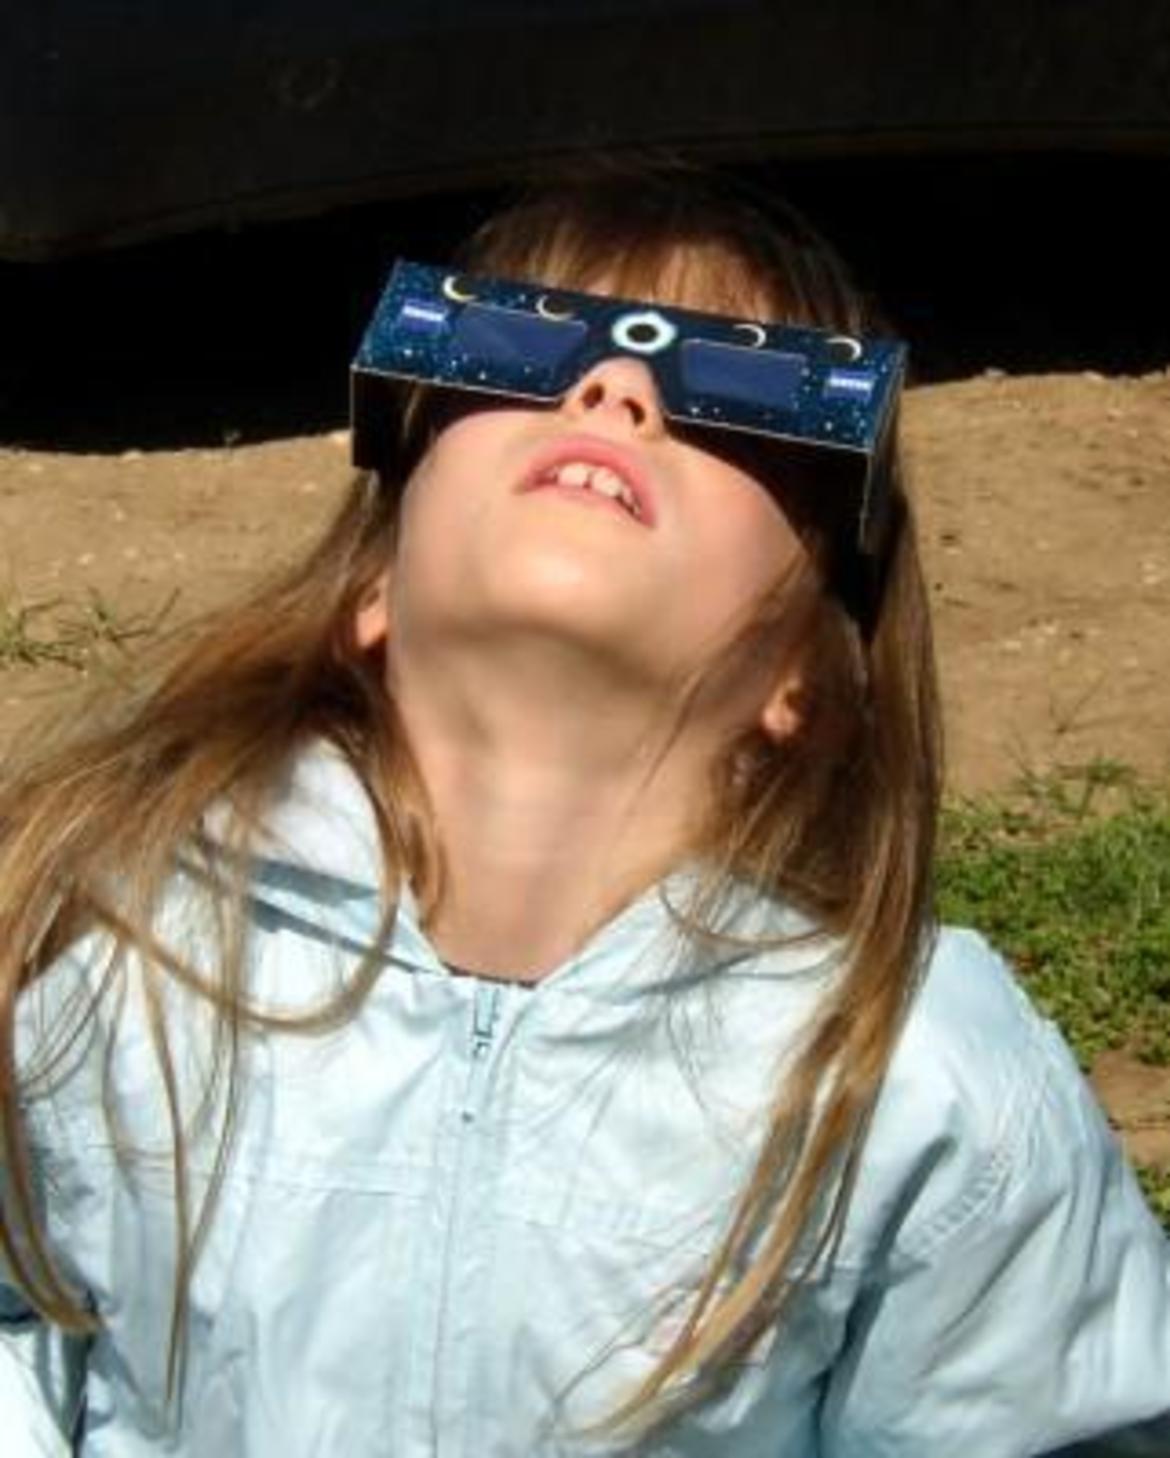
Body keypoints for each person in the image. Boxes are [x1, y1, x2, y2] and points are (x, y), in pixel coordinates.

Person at [1, 159, 1167, 1457]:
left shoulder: (908, 1070)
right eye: (508, 352)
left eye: (744, 392)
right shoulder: (117, 944)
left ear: (804, 673)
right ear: (371, 588)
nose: (614, 389)